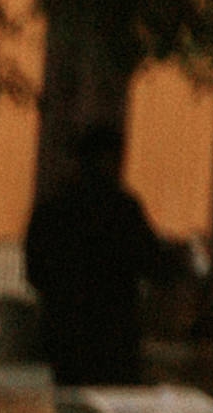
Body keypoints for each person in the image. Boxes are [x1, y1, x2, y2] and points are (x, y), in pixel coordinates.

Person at [22, 129, 171, 391]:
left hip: (64, 331)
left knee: (67, 412)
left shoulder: (53, 207)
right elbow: (153, 262)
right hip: (113, 335)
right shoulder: (123, 208)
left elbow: (35, 271)